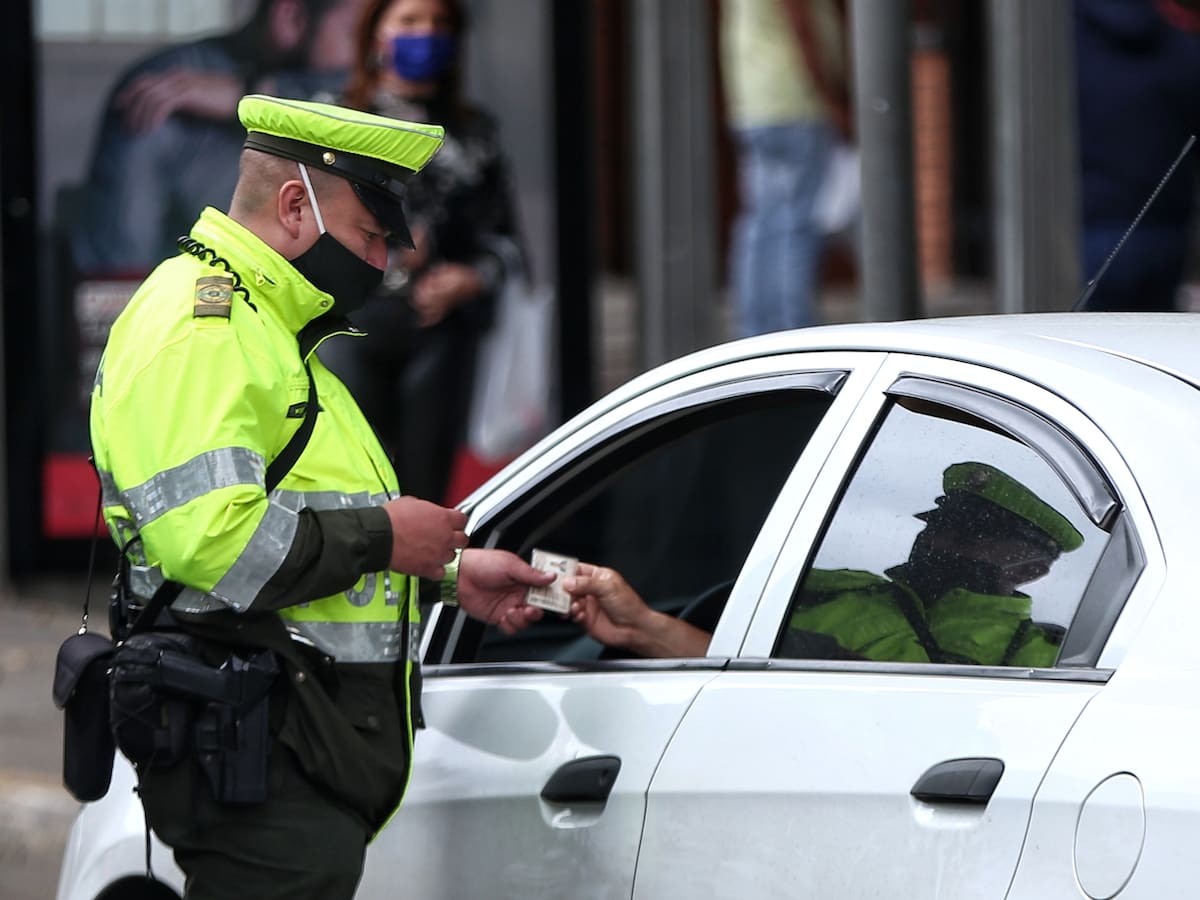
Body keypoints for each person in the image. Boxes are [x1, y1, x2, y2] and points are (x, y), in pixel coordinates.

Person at [88, 93, 553, 899]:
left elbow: (299, 513)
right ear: (297, 206)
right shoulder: (206, 330)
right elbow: (215, 544)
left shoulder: (271, 331)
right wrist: (387, 538)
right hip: (259, 758)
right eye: (373, 238)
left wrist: (444, 573)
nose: (384, 265)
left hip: (288, 749)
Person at [561, 462, 1082, 667]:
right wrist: (644, 627)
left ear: (1030, 568)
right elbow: (734, 679)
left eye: (972, 532)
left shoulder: (1052, 660)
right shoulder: (828, 592)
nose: (941, 537)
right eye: (941, 519)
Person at [318, 0, 525, 504]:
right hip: (349, 324)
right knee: (353, 491)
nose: (425, 35)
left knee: (424, 496)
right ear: (376, 35)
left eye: (438, 25)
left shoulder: (476, 132)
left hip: (440, 333)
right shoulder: (335, 119)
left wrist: (469, 278)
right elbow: (296, 222)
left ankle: (418, 587)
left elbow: (507, 244)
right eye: (409, 22)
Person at [70, 0, 366, 276]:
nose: (368, 54)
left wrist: (250, 93)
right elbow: (119, 263)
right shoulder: (166, 93)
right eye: (355, 35)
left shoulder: (352, 88)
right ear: (290, 19)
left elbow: (368, 105)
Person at [720, 0, 850, 336]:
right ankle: (795, 332)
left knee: (762, 223)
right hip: (796, 102)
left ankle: (756, 331)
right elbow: (802, 25)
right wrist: (832, 96)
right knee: (796, 224)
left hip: (755, 104)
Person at [1074, 0, 1200, 312]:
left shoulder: (1062, 47)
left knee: (1078, 348)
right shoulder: (1177, 43)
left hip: (1087, 227)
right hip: (1164, 234)